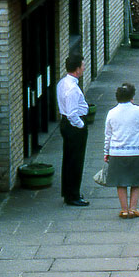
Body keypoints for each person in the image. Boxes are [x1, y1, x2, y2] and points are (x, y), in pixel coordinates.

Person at [104, 82, 139, 219]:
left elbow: (108, 135)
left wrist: (106, 152)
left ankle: (124, 210)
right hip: (136, 151)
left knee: (120, 181)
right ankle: (133, 208)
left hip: (117, 152)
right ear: (132, 97)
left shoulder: (111, 113)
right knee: (136, 180)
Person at [55, 54, 90, 206]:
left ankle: (68, 192)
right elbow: (72, 113)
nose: (84, 68)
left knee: (68, 159)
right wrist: (81, 125)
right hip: (74, 126)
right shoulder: (73, 89)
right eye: (82, 65)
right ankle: (73, 195)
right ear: (77, 69)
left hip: (65, 124)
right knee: (76, 161)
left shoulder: (62, 83)